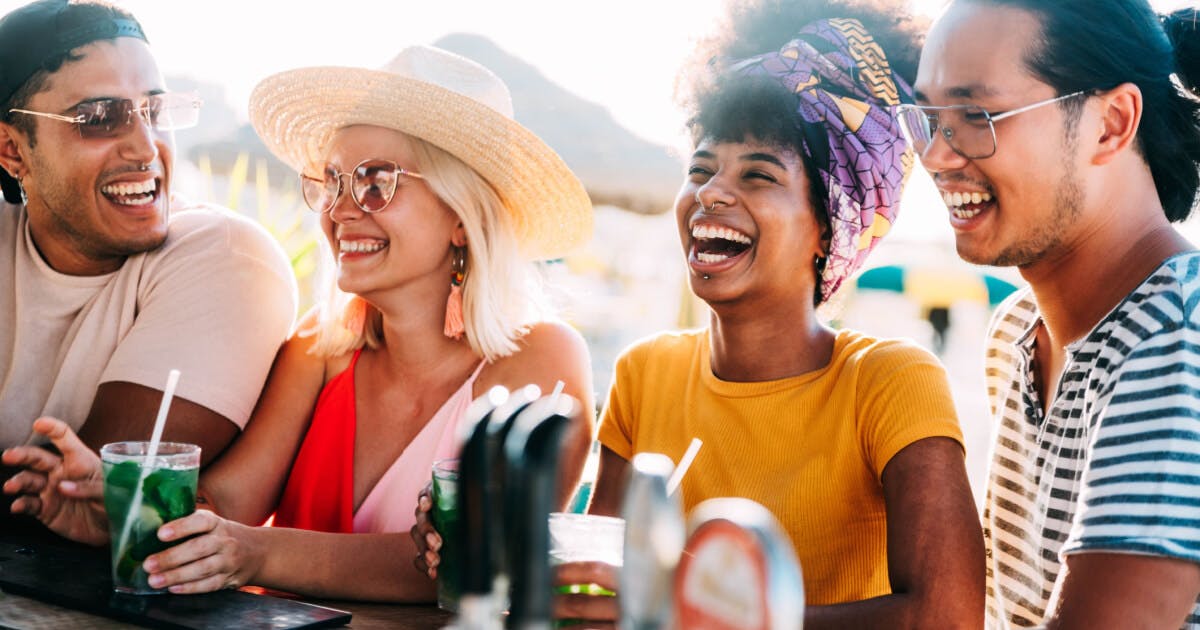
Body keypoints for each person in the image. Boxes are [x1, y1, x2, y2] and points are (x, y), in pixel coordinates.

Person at [3, 45, 596, 601]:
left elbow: (470, 558)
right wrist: (120, 508)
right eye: (331, 182)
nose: (339, 212)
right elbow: (229, 504)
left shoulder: (543, 362)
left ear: (463, 216)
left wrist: (259, 554)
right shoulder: (319, 345)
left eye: (374, 182)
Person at [569, 0, 984, 626]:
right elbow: (592, 585)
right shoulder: (642, 374)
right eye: (701, 169)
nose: (711, 191)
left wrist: (703, 611)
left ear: (829, 227)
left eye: (759, 174)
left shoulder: (889, 383)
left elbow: (948, 616)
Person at [901, 0, 1200, 626]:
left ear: (1111, 124)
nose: (934, 155)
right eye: (926, 117)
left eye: (976, 114)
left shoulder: (1177, 333)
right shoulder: (1015, 332)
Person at [0, 0, 296, 463]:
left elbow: (84, 492)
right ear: (12, 150)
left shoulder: (228, 257)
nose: (145, 147)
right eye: (99, 117)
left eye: (154, 111)